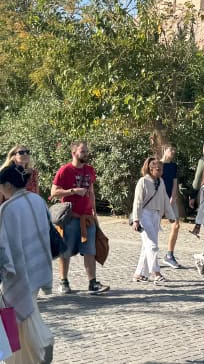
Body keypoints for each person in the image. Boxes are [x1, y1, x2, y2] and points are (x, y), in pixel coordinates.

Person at [0, 163, 54, 364]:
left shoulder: (7, 208)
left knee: (21, 318)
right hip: (37, 266)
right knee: (28, 313)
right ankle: (32, 353)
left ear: (7, 185)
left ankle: (41, 347)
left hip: (17, 272)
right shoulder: (37, 200)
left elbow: (3, 247)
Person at [50, 141, 109, 294]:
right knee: (66, 251)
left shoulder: (90, 170)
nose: (86, 154)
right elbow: (54, 192)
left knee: (90, 250)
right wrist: (73, 191)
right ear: (74, 153)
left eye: (86, 151)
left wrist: (95, 212)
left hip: (87, 218)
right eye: (82, 151)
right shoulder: (65, 170)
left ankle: (92, 283)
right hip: (70, 218)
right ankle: (63, 282)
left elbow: (91, 191)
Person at [131, 157, 177, 284]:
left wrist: (170, 215)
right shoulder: (143, 181)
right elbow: (138, 202)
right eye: (158, 169)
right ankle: (156, 273)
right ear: (151, 169)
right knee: (152, 245)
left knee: (147, 247)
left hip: (156, 215)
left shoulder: (160, 181)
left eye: (162, 170)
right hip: (144, 215)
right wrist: (136, 219)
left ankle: (139, 274)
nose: (161, 172)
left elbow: (165, 199)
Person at [160, 144, 183, 268]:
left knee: (176, 225)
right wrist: (163, 199)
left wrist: (173, 197)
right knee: (154, 227)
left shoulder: (173, 166)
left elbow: (175, 182)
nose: (173, 152)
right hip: (159, 200)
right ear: (164, 150)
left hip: (171, 199)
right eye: (171, 149)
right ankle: (149, 254)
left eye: (174, 150)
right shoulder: (158, 164)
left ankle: (169, 255)